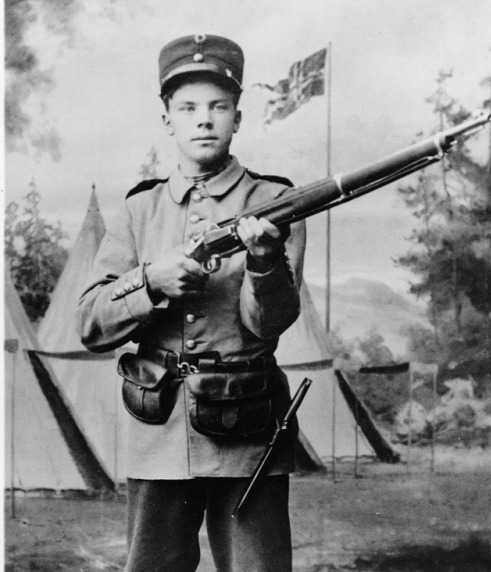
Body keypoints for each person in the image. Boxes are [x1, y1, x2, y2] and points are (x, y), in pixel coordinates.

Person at [77, 33, 306, 572]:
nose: (204, 119)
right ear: (168, 121)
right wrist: (151, 283)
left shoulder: (274, 202)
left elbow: (269, 324)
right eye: (188, 108)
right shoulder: (140, 209)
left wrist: (264, 262)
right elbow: (90, 322)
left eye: (218, 107)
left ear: (237, 118)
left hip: (247, 432)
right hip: (157, 430)